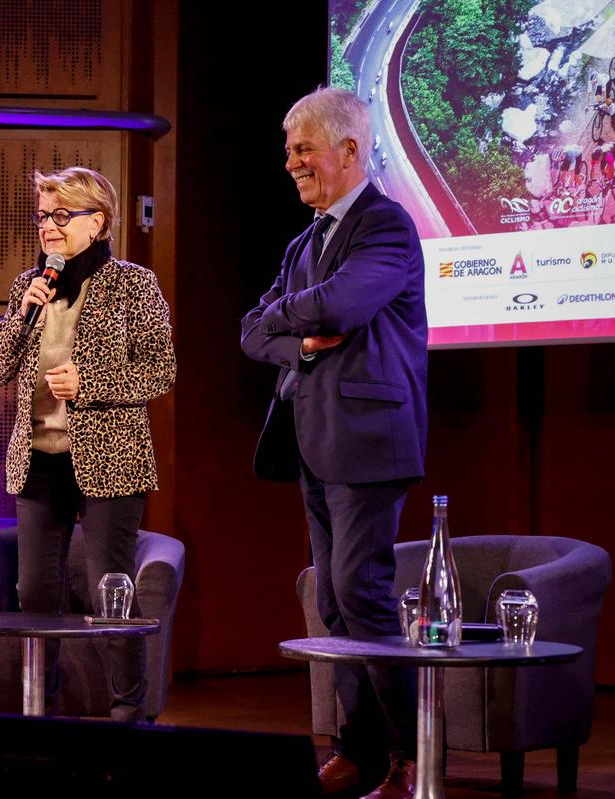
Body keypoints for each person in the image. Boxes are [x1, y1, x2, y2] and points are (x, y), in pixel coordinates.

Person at [240, 87, 427, 799]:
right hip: (313, 440)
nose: (291, 163)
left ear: (349, 150)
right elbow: (251, 333)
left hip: (372, 438)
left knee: (361, 592)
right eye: (289, 151)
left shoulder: (388, 227)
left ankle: (411, 755)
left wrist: (286, 322)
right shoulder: (302, 243)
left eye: (303, 148)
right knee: (337, 604)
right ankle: (360, 747)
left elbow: (347, 302)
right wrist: (301, 341)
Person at [0, 166, 176, 722]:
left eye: (62, 215)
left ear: (100, 221)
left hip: (110, 462)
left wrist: (91, 382)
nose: (47, 226)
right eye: (43, 215)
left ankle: (129, 712)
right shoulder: (30, 286)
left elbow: (161, 371)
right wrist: (21, 316)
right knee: (35, 595)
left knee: (108, 591)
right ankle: (42, 709)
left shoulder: (133, 283)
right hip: (39, 461)